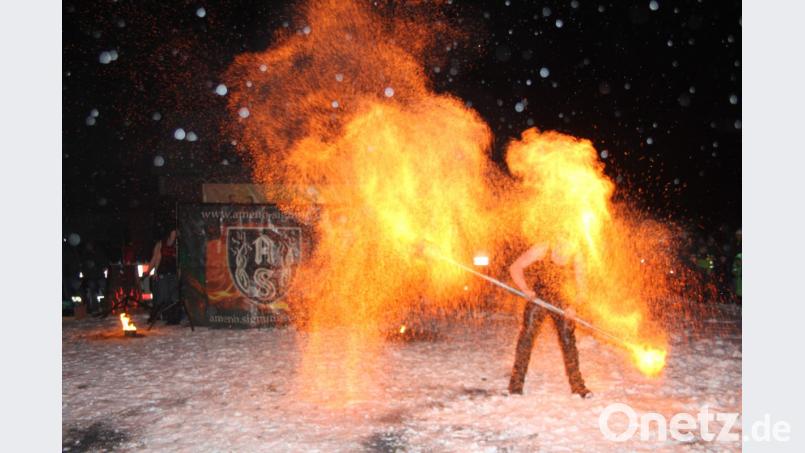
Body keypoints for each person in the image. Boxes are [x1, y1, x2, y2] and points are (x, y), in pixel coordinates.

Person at [508, 239, 592, 398]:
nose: (562, 243)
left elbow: (583, 289)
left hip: (564, 302)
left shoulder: (576, 254)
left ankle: (578, 386)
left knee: (568, 339)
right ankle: (516, 384)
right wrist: (525, 289)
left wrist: (574, 306)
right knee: (527, 337)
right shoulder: (543, 247)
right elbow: (515, 267)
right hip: (540, 298)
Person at [148, 228, 182, 325]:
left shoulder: (178, 246)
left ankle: (172, 318)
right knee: (163, 296)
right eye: (173, 232)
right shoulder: (161, 244)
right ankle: (157, 315)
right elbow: (156, 258)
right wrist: (151, 271)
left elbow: (180, 263)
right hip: (163, 272)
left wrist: (179, 276)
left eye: (176, 232)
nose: (175, 234)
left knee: (174, 297)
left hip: (173, 273)